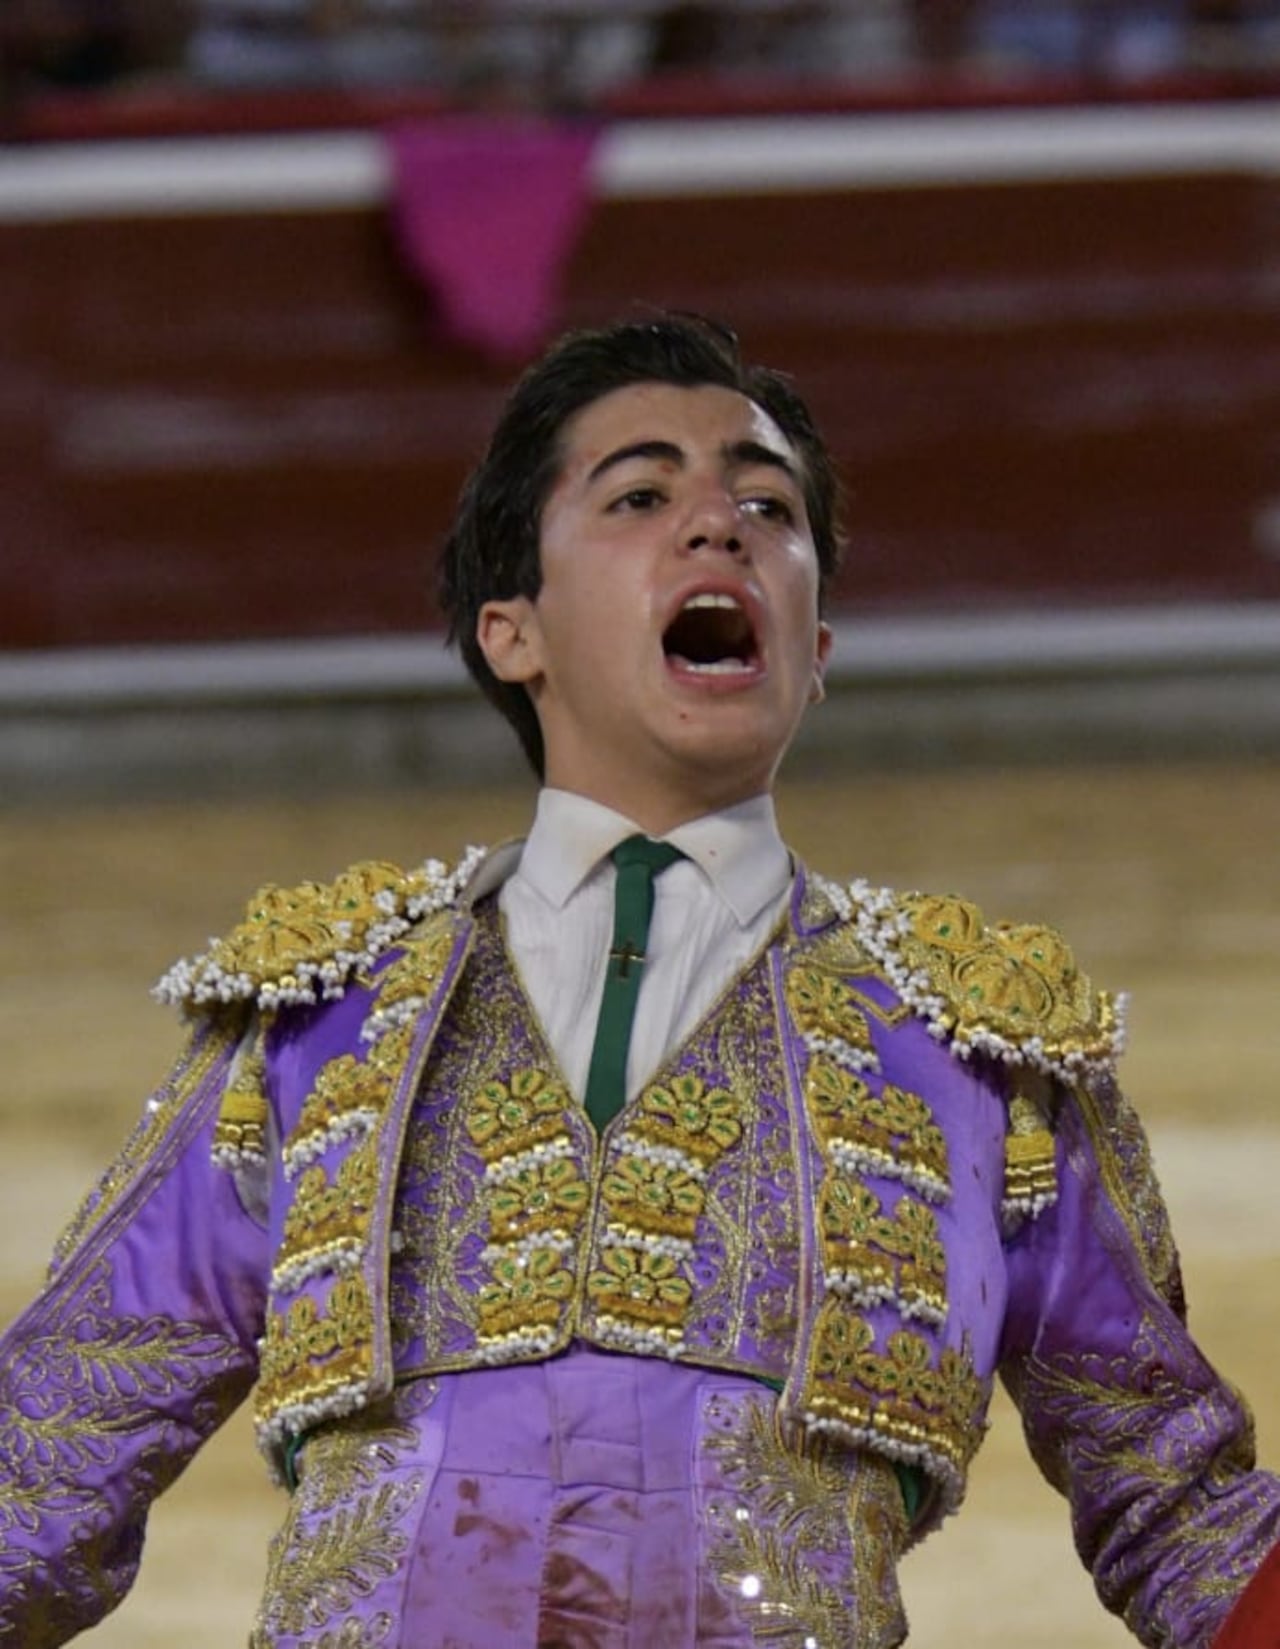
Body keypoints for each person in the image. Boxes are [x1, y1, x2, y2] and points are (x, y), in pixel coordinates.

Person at [0, 313, 1276, 1648]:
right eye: (642, 493)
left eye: (767, 504)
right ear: (514, 631)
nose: (719, 525)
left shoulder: (977, 1054)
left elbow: (1185, 1511)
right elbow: (40, 1466)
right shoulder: (316, 1022)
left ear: (816, 651)